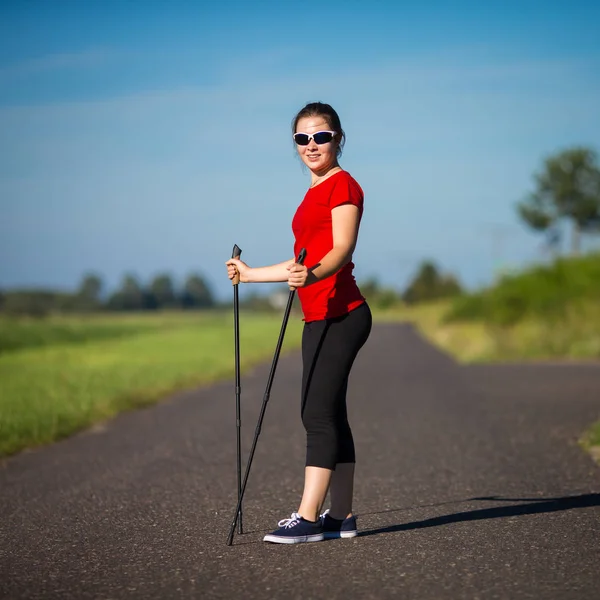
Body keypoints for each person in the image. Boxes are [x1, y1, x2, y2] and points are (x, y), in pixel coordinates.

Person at [226, 101, 372, 544]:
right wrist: (250, 274)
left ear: (338, 138)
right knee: (332, 414)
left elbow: (341, 249)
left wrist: (313, 274)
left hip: (342, 315)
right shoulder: (312, 193)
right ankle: (340, 516)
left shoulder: (343, 186)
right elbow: (301, 260)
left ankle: (307, 521)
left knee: (316, 412)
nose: (311, 145)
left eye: (321, 136)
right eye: (302, 138)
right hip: (317, 315)